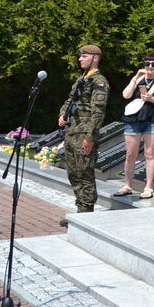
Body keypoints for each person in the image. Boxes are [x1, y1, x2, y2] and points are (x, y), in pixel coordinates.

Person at [57, 44, 108, 217]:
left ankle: (86, 213)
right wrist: (62, 114)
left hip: (84, 134)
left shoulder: (99, 81)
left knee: (85, 174)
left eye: (84, 56)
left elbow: (98, 112)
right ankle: (81, 209)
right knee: (73, 174)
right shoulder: (81, 79)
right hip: (72, 131)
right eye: (80, 56)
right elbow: (70, 99)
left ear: (95, 58)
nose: (80, 59)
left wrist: (90, 137)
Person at [115, 53, 154, 199]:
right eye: (147, 64)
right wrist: (135, 77)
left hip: (152, 120)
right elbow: (126, 95)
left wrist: (153, 100)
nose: (149, 67)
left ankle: (148, 187)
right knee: (130, 154)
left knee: (149, 154)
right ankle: (127, 185)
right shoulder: (139, 79)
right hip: (134, 119)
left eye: (153, 64)